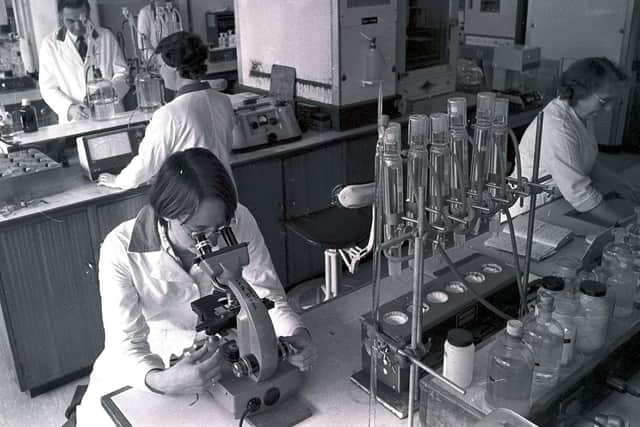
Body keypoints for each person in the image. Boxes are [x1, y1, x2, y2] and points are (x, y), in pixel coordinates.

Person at [75, 148, 317, 426]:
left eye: (220, 228)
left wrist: (296, 333)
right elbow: (125, 344)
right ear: (165, 213)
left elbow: (266, 295)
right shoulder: (119, 249)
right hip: (153, 360)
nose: (212, 241)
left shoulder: (239, 221)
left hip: (223, 348)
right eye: (198, 232)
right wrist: (161, 380)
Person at [97, 31, 240, 189]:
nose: (160, 73)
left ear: (174, 67)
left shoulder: (169, 114)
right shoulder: (223, 101)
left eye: (160, 66)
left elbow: (145, 165)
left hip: (194, 199)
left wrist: (118, 180)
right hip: (227, 192)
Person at [511, 57, 640, 224]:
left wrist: (621, 185)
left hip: (557, 203)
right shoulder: (558, 127)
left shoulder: (582, 115)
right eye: (604, 101)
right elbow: (580, 194)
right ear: (580, 91)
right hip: (529, 211)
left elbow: (586, 162)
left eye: (614, 102)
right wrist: (627, 226)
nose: (609, 109)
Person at [39, 0, 129, 124]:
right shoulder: (50, 45)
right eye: (70, 21)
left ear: (89, 13)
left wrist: (110, 91)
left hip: (111, 115)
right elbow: (48, 88)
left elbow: (123, 74)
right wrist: (70, 108)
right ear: (60, 17)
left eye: (82, 19)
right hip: (75, 121)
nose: (77, 26)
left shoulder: (106, 36)